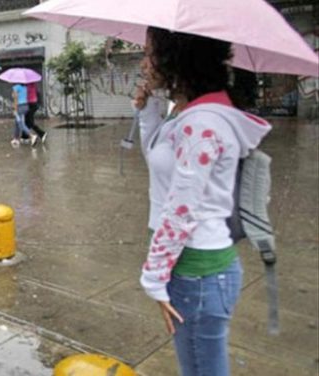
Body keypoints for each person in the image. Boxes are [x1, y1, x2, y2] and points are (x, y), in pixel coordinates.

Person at [134, 27, 271, 376]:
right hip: (189, 270)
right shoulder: (188, 112)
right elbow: (160, 165)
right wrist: (148, 108)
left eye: (150, 53)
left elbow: (180, 210)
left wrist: (153, 277)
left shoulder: (202, 121)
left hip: (197, 274)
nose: (144, 62)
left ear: (176, 58)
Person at [11, 83, 37, 147]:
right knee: (17, 122)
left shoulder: (16, 87)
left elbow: (16, 100)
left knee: (21, 124)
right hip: (26, 106)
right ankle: (15, 139)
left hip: (20, 107)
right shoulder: (25, 87)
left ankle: (32, 136)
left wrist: (15, 109)